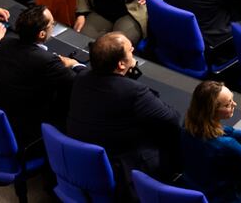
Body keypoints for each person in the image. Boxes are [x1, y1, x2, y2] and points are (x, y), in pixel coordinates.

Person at [67, 32, 181, 184]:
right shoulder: (133, 91)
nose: (133, 49)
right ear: (121, 64)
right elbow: (172, 118)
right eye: (130, 50)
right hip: (121, 168)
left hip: (84, 161)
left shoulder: (82, 78)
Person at [0, 4, 79, 152]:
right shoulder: (47, 61)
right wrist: (75, 64)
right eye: (52, 24)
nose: (53, 25)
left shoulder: (5, 43)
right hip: (27, 133)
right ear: (42, 34)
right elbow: (77, 83)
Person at [180, 81, 241, 203]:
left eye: (232, 99)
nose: (234, 104)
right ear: (212, 111)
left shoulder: (189, 124)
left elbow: (220, 130)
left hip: (198, 186)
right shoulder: (224, 144)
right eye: (227, 105)